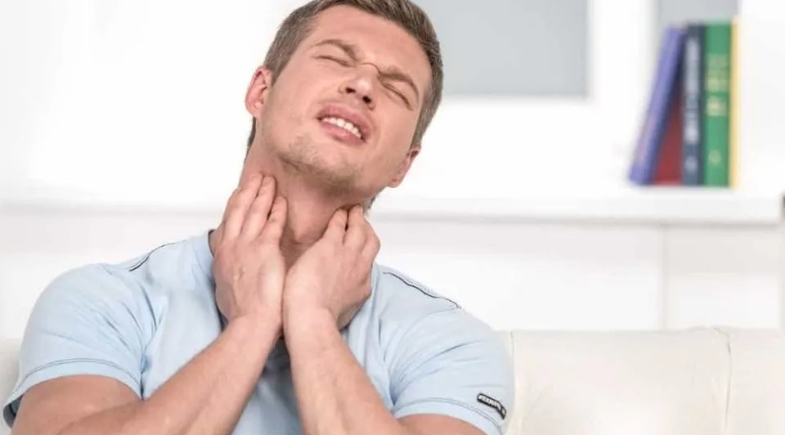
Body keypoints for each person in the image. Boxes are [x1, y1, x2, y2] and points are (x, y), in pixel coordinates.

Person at [3, 1, 514, 434]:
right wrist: (252, 326)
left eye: (396, 90)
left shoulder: (452, 343)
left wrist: (311, 321)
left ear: (405, 164)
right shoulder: (101, 301)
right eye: (336, 59)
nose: (363, 85)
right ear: (261, 92)